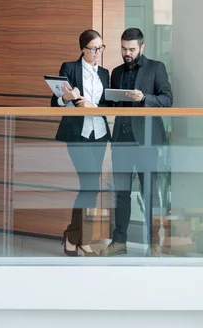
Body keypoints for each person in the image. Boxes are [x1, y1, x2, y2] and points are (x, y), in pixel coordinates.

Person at [101, 27, 173, 256]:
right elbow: (113, 104)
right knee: (121, 193)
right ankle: (119, 241)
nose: (127, 53)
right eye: (123, 49)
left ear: (142, 47)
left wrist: (144, 99)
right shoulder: (117, 71)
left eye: (131, 49)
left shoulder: (156, 68)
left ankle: (154, 242)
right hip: (121, 140)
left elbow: (167, 99)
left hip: (147, 140)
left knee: (149, 192)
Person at [51, 29, 110, 257]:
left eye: (100, 48)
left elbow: (109, 106)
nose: (98, 53)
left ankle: (76, 237)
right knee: (90, 185)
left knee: (91, 187)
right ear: (83, 49)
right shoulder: (70, 68)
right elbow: (55, 103)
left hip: (100, 134)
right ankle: (77, 237)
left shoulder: (105, 73)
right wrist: (65, 98)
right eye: (93, 49)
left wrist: (92, 106)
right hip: (78, 133)